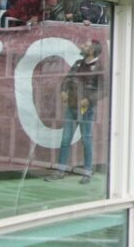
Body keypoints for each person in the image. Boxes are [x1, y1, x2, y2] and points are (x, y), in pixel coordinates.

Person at [46, 40, 103, 183]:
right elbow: (67, 80)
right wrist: (64, 91)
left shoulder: (100, 67)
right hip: (72, 107)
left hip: (86, 110)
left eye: (85, 45)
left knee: (86, 140)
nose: (82, 46)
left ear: (92, 50)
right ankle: (60, 171)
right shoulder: (78, 63)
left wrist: (89, 100)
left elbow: (104, 89)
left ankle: (87, 172)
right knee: (65, 140)